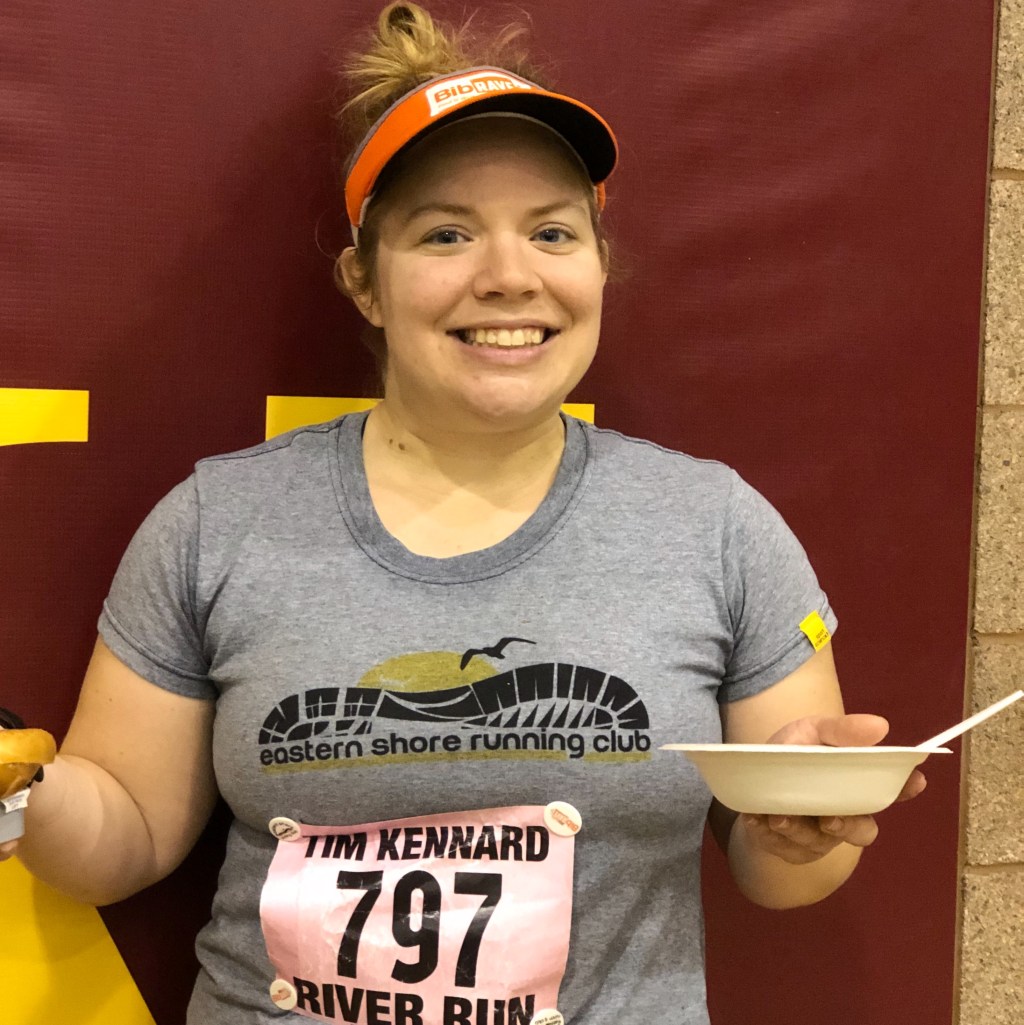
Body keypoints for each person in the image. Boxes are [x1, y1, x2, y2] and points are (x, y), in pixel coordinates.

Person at [2, 4, 925, 1023]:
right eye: (446, 233)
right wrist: (18, 789)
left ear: (599, 265)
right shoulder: (214, 523)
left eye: (552, 232)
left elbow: (781, 870)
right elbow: (123, 834)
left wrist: (805, 825)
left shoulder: (717, 527)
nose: (508, 276)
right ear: (365, 281)